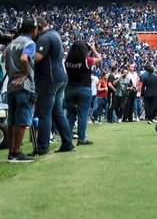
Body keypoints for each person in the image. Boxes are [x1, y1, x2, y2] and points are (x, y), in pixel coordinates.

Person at [33, 15, 75, 155]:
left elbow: (37, 57)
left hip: (49, 79)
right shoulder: (54, 34)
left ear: (38, 27)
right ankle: (67, 142)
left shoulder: (44, 38)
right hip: (60, 77)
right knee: (57, 112)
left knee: (45, 113)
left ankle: (43, 146)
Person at [2, 17, 39, 163]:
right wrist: (24, 73)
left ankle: (11, 152)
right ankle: (16, 153)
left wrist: (12, 74)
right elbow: (25, 59)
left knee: (12, 121)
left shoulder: (12, 44)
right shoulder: (30, 43)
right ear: (33, 29)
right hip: (24, 86)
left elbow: (5, 60)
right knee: (22, 121)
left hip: (12, 85)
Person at [64, 39, 101, 146]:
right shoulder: (87, 61)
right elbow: (99, 59)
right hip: (84, 88)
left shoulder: (67, 61)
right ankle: (81, 138)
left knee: (70, 114)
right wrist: (93, 49)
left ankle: (67, 138)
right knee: (83, 114)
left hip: (70, 88)